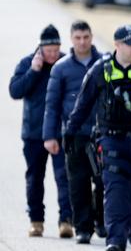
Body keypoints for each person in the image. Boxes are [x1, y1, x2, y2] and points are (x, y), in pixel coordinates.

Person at [66, 25, 131, 251]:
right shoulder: (101, 69)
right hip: (110, 140)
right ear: (117, 45)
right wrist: (70, 132)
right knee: (115, 190)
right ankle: (115, 241)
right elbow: (83, 104)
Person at [42, 20, 105, 244]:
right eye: (77, 38)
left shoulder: (105, 64)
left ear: (91, 37)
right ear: (71, 39)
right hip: (74, 134)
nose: (82, 42)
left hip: (102, 133)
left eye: (86, 37)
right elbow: (52, 105)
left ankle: (101, 219)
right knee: (77, 183)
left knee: (104, 180)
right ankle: (83, 228)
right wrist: (50, 136)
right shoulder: (61, 68)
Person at [9, 24, 73, 238]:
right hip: (34, 134)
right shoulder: (28, 63)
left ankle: (66, 220)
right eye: (49, 51)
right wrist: (33, 72)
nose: (53, 54)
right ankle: (36, 221)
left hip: (61, 132)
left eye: (56, 50)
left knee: (64, 177)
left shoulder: (66, 63)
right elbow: (15, 91)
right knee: (35, 178)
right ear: (40, 48)